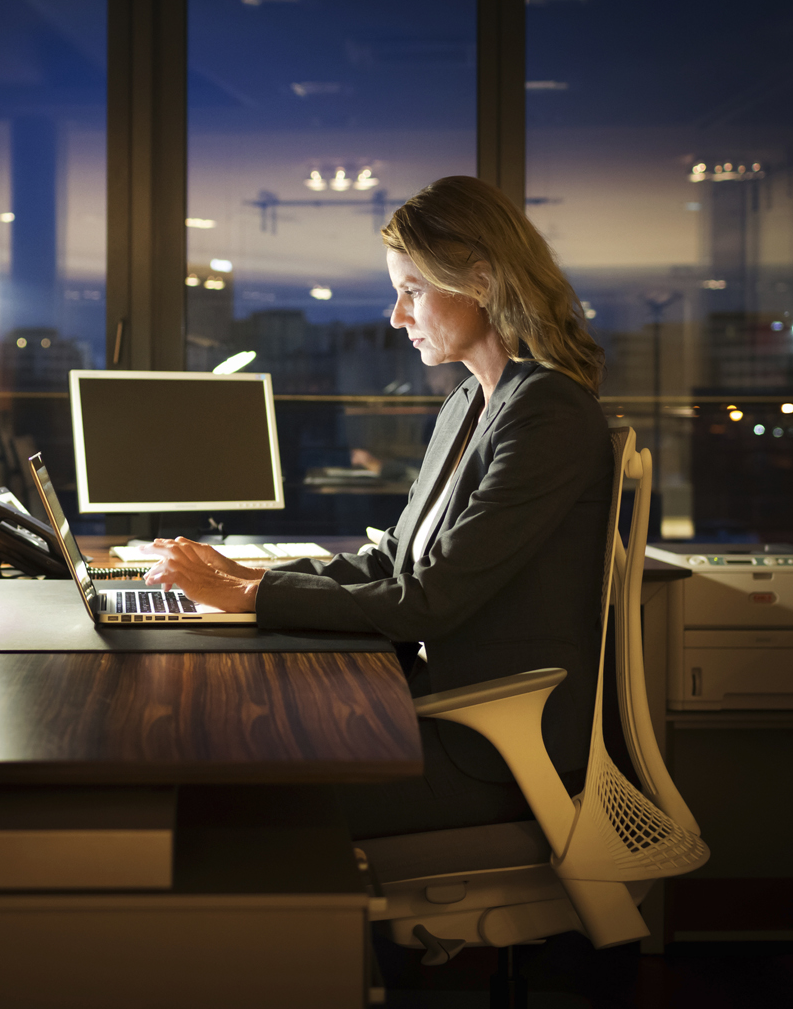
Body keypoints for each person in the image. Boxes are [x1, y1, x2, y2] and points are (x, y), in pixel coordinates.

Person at [142, 175, 612, 837]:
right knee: (232, 758)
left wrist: (250, 596)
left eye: (412, 290)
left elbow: (427, 600)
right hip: (446, 712)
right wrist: (243, 577)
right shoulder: (469, 404)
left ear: (480, 281)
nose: (397, 315)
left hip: (497, 750)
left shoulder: (548, 414)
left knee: (236, 796)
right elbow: (393, 559)